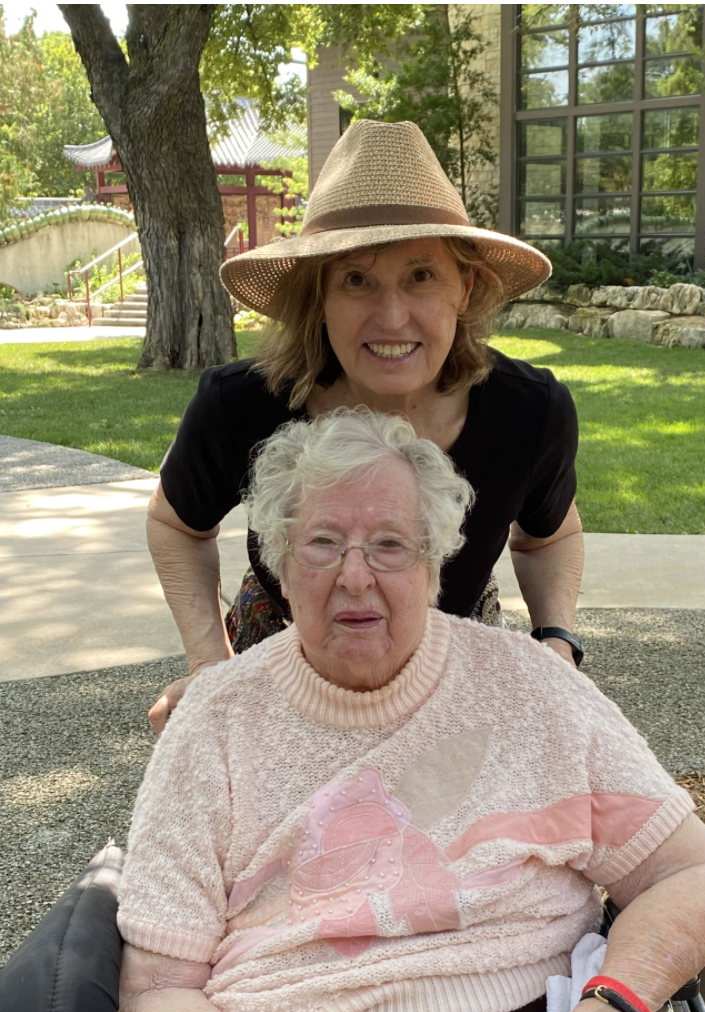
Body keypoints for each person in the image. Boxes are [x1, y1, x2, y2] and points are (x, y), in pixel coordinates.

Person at [117, 409, 705, 1012]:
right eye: (322, 544)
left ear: (435, 564)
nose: (355, 577)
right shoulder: (217, 719)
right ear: (281, 565)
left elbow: (690, 872)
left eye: (389, 546)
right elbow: (153, 996)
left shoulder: (529, 687)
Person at [147, 119, 585, 734]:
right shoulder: (241, 403)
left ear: (466, 285)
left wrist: (556, 639)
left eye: (421, 275)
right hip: (282, 650)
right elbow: (175, 524)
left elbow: (549, 537)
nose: (391, 316)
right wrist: (209, 666)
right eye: (356, 279)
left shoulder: (528, 413)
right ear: (318, 294)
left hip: (455, 656)